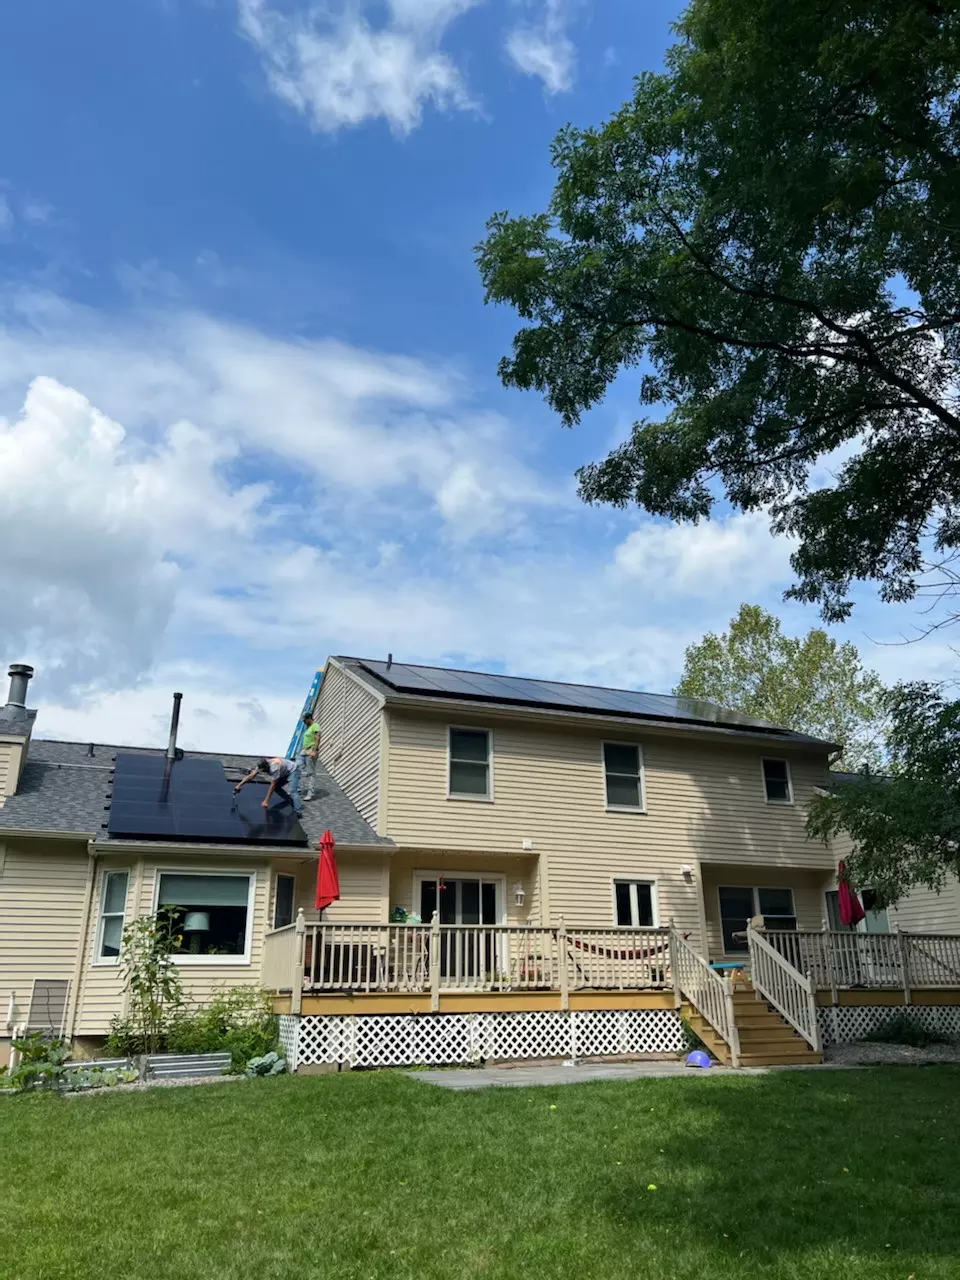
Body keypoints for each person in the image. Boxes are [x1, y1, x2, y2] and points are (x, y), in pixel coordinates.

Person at [235, 756, 303, 817]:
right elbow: (251, 776)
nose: (263, 771)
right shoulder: (262, 764)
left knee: (293, 791)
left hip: (293, 771)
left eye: (264, 770)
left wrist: (266, 801)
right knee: (277, 789)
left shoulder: (274, 768)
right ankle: (290, 800)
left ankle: (298, 811)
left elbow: (273, 785)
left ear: (267, 767)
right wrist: (239, 785)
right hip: (284, 771)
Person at [299, 712, 321, 802]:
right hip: (303, 751)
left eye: (304, 720)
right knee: (296, 768)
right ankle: (296, 789)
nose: (303, 722)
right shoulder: (308, 728)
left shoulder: (315, 726)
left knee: (310, 773)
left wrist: (314, 751)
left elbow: (318, 738)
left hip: (310, 751)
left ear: (309, 719)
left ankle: (310, 794)